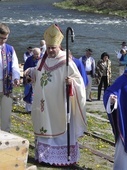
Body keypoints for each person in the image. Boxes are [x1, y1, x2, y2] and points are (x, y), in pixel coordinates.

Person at [24, 24, 87, 166]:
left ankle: (63, 158)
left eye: (53, 47)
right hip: (44, 105)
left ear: (59, 46)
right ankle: (45, 157)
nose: (51, 50)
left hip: (60, 104)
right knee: (44, 126)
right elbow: (39, 73)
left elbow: (79, 82)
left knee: (61, 127)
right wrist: (31, 72)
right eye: (49, 47)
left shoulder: (66, 62)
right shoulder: (43, 60)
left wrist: (72, 82)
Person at [0, 23, 20, 132]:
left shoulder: (10, 49)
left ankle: (5, 134)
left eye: (5, 38)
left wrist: (16, 77)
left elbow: (15, 65)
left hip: (6, 84)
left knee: (6, 113)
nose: (3, 41)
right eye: (1, 38)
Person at [23, 47, 41, 113]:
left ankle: (38, 108)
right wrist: (28, 77)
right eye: (35, 54)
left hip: (38, 80)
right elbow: (25, 69)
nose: (37, 56)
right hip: (30, 80)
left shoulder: (42, 60)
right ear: (33, 53)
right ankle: (29, 109)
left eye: (38, 54)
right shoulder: (29, 60)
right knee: (29, 94)